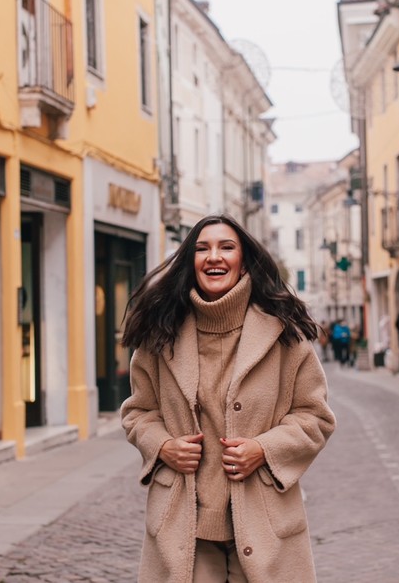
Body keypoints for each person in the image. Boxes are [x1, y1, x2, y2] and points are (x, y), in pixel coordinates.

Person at [120, 213, 336, 582]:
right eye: (202, 249)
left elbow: (315, 417)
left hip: (264, 520)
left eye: (226, 247)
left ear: (243, 260)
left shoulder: (285, 335)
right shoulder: (161, 334)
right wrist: (163, 446)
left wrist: (264, 449)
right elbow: (139, 411)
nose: (214, 257)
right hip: (184, 523)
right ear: (191, 262)